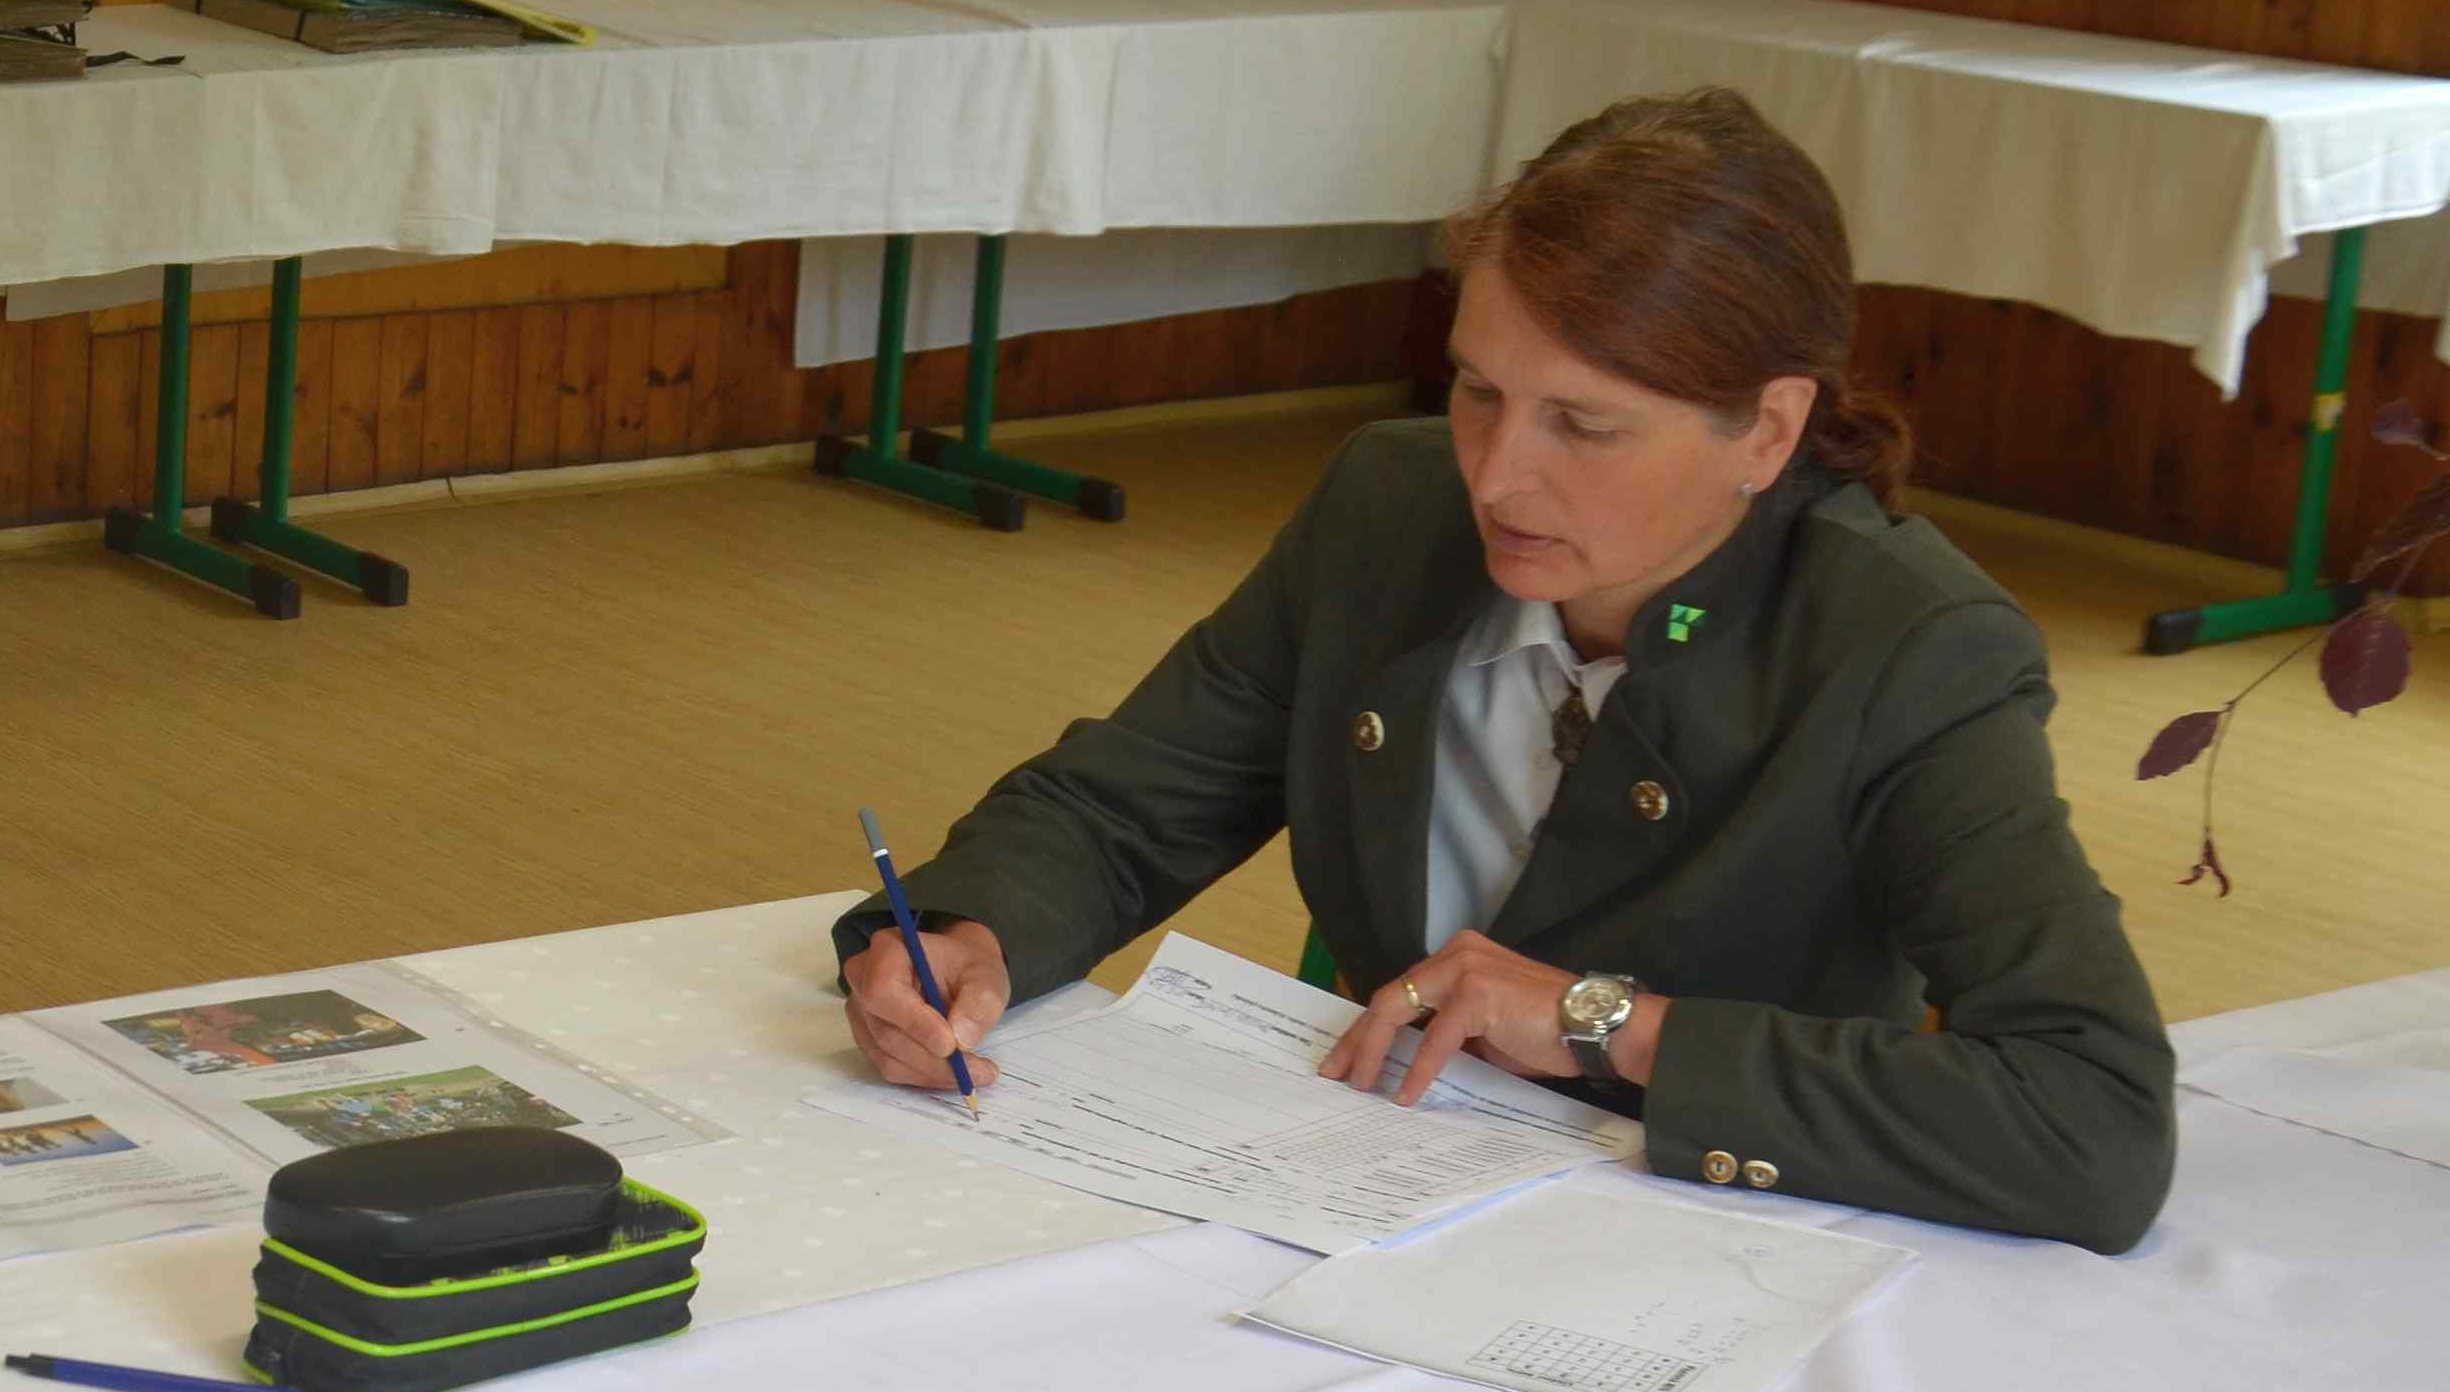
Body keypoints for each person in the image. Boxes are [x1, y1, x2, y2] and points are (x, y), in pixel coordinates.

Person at [835, 90, 2177, 1254]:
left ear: (1770, 430)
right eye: (1478, 392)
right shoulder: (1389, 507)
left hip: (1703, 1254)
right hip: (1350, 1205)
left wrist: (1607, 1022)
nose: (1496, 476)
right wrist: (974, 937)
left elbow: (2094, 1122)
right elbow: (1125, 805)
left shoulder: (1908, 650)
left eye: (1583, 424)